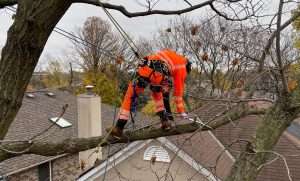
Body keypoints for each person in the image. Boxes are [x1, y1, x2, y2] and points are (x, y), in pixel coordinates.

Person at [110, 49, 191, 137]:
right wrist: (181, 112)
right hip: (159, 74)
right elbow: (178, 93)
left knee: (130, 95)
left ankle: (119, 127)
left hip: (147, 68)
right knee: (157, 95)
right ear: (187, 68)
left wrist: (145, 61)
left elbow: (157, 56)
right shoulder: (182, 68)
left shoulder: (174, 56)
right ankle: (165, 122)